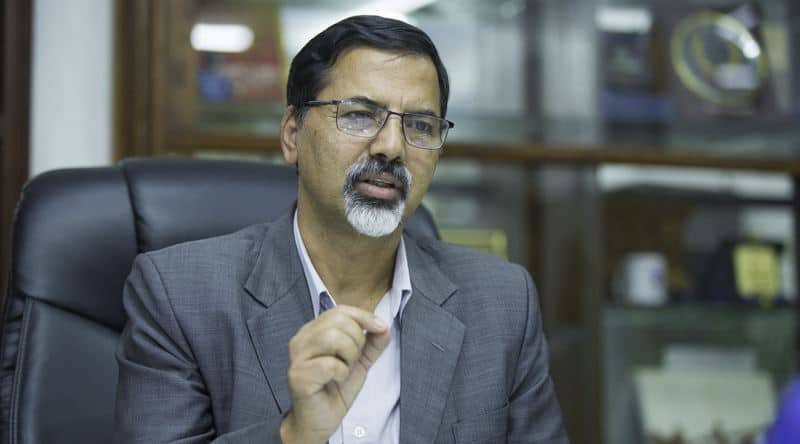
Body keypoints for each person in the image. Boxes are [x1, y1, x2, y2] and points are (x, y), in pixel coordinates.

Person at [114, 15, 568, 444]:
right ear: (292, 134)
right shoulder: (179, 296)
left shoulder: (502, 303)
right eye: (359, 115)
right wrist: (295, 434)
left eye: (420, 125)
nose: (391, 147)